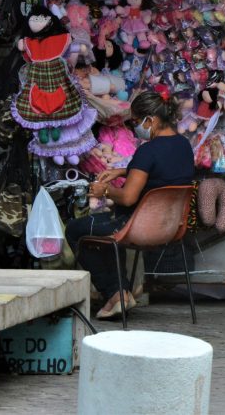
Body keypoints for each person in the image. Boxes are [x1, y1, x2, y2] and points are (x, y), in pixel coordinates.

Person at [66, 90, 194, 320]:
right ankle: (120, 293)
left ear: (151, 120)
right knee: (104, 230)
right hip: (170, 227)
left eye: (136, 122)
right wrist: (125, 169)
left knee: (77, 230)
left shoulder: (147, 151)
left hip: (136, 226)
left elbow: (127, 198)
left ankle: (116, 294)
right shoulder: (183, 146)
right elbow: (162, 173)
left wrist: (103, 190)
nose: (135, 127)